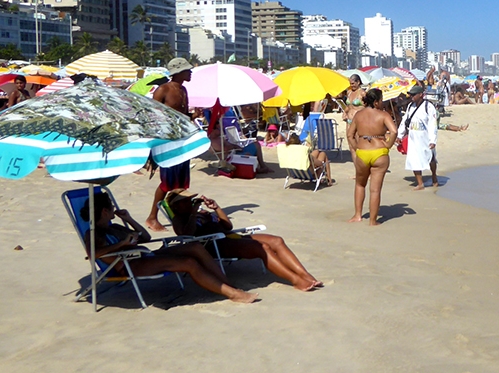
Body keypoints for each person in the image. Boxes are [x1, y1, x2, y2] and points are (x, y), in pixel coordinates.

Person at [82, 190, 257, 303]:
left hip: (143, 256)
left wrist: (128, 219)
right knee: (189, 262)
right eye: (111, 207)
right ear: (105, 211)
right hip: (129, 265)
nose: (114, 209)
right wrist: (122, 244)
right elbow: (93, 254)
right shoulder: (93, 233)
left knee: (195, 247)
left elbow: (146, 236)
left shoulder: (115, 227)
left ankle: (227, 284)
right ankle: (233, 294)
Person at [165, 190, 321, 290]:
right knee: (263, 248)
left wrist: (216, 208)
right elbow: (188, 235)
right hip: (215, 245)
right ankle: (296, 281)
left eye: (190, 200)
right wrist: (193, 213)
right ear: (176, 207)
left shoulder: (202, 213)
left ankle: (306, 275)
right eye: (184, 201)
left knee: (277, 240)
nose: (190, 203)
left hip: (229, 237)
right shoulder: (179, 219)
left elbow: (227, 226)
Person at [145, 58, 195, 231]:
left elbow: (182, 113)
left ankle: (178, 215)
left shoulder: (184, 89)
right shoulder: (163, 90)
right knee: (167, 182)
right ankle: (152, 217)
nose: (191, 73)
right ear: (178, 72)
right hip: (167, 140)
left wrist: (190, 118)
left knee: (181, 182)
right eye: (187, 70)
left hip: (182, 139)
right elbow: (152, 118)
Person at [347, 88, 397, 225]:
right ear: (376, 102)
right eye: (381, 100)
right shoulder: (383, 115)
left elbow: (350, 135)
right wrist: (388, 145)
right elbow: (394, 131)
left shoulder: (358, 115)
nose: (382, 102)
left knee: (360, 184)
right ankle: (373, 221)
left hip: (362, 152)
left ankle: (358, 215)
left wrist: (357, 146)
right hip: (379, 152)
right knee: (375, 189)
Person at [397, 84, 439, 190]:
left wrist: (432, 140)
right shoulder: (410, 106)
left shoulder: (428, 107)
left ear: (421, 95)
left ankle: (434, 176)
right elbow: (404, 121)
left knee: (431, 158)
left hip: (425, 137)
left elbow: (432, 124)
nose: (412, 97)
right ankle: (420, 183)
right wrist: (400, 135)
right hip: (413, 137)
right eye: (411, 95)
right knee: (414, 159)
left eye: (414, 95)